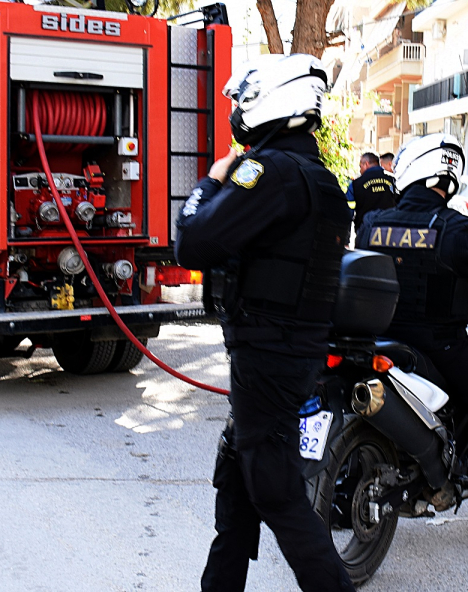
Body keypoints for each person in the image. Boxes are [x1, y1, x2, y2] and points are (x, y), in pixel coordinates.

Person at [175, 54, 355, 591]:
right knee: (238, 485)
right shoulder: (320, 179)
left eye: (243, 101)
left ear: (273, 100)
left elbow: (194, 242)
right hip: (289, 355)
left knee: (276, 492)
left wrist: (209, 183)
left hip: (267, 358)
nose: (238, 112)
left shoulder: (267, 171)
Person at [357, 133, 468, 559]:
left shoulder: (372, 225)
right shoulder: (460, 231)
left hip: (378, 343)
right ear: (447, 181)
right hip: (441, 347)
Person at [346, 152, 396, 233]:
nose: (360, 169)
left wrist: (346, 237)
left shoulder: (356, 184)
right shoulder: (393, 181)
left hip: (365, 232)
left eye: (360, 166)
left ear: (366, 164)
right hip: (389, 232)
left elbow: (348, 211)